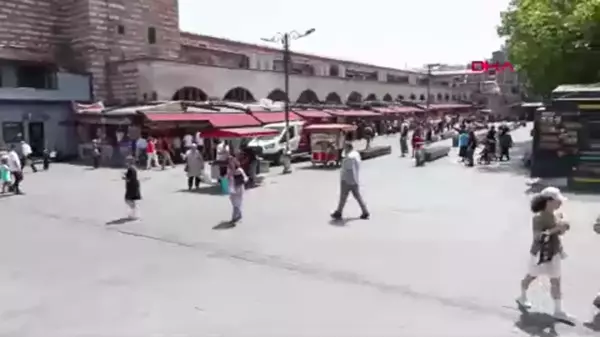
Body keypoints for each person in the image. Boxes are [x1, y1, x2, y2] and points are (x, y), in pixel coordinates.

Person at [516, 187, 572, 321]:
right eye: (557, 201)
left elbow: (558, 232)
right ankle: (522, 296)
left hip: (554, 252)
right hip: (540, 254)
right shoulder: (538, 218)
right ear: (549, 201)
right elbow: (538, 237)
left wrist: (563, 227)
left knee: (556, 280)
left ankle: (558, 310)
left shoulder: (556, 215)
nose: (560, 203)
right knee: (531, 276)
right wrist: (556, 229)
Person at [331, 142, 369, 220]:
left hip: (347, 180)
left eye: (345, 148)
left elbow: (349, 169)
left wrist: (346, 180)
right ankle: (365, 211)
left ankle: (339, 212)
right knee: (358, 196)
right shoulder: (356, 154)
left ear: (348, 148)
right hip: (355, 179)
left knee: (343, 197)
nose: (344, 150)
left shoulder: (349, 157)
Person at [227, 156, 248, 225]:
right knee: (234, 203)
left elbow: (245, 178)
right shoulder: (229, 170)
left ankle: (234, 217)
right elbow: (228, 179)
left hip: (239, 188)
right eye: (230, 162)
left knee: (237, 203)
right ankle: (239, 214)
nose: (231, 163)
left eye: (232, 161)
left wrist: (242, 180)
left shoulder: (239, 170)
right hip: (232, 188)